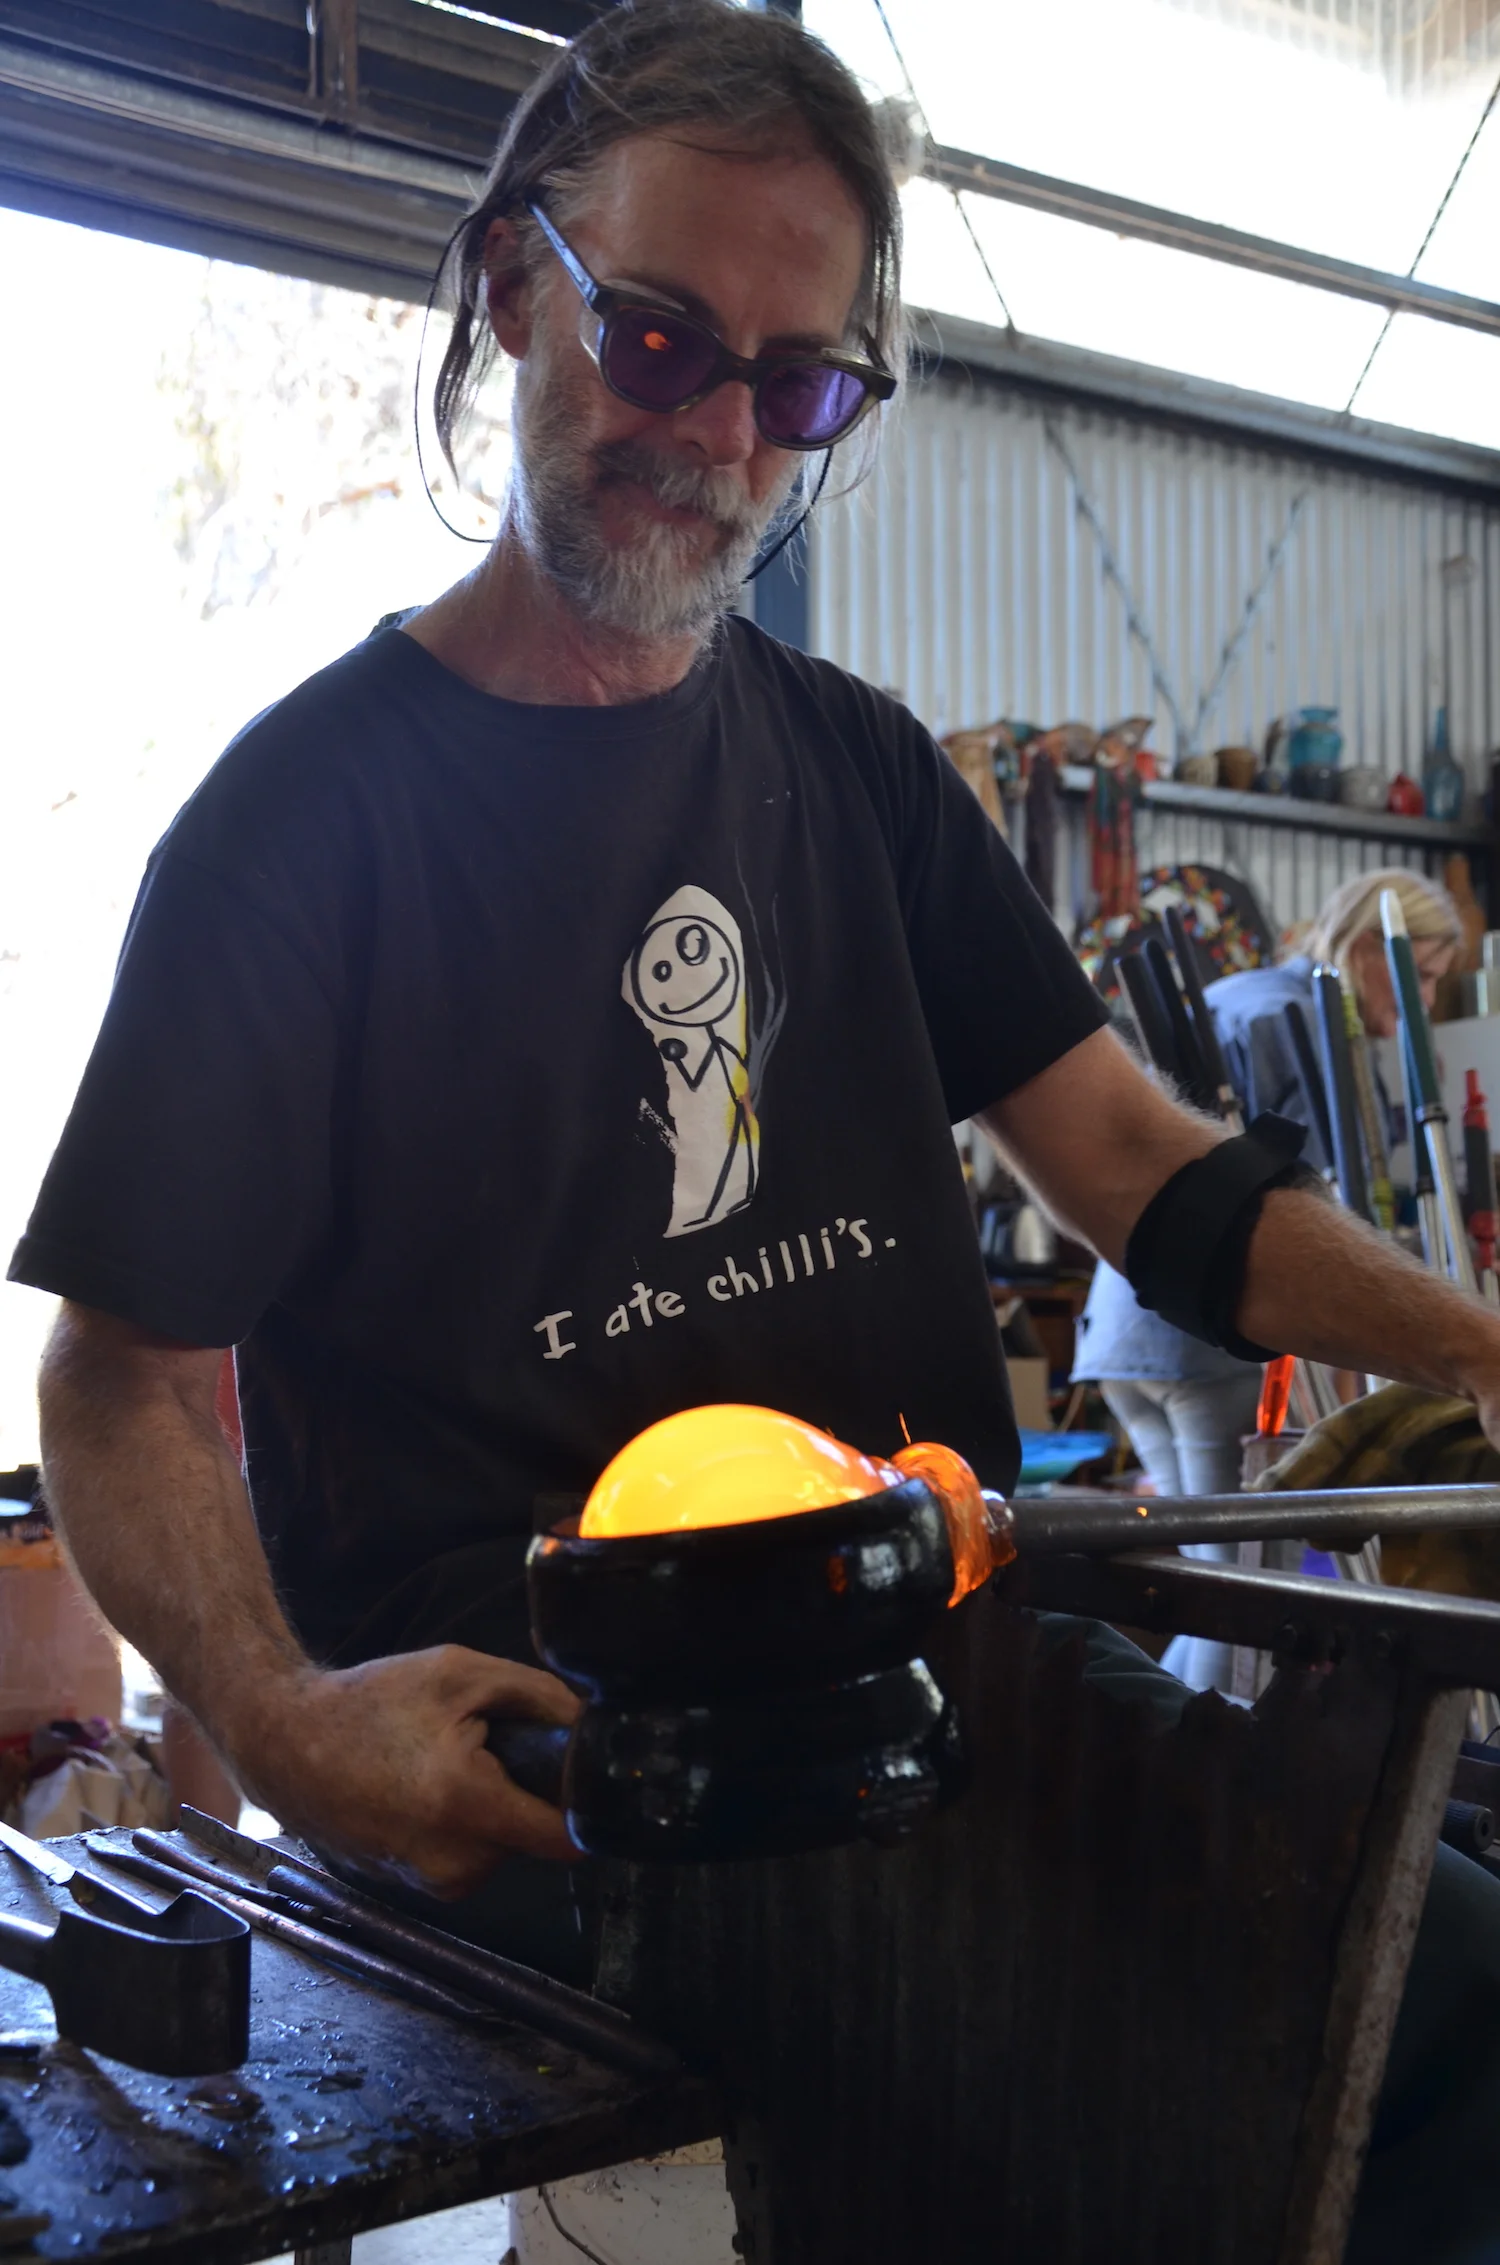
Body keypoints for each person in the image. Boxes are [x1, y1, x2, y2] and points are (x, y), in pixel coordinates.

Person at [12, 9, 1500, 2245]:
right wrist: (291, 1718)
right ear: (514, 286)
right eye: (659, 336)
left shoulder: (858, 772)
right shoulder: (298, 833)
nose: (717, 433)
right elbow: (118, 1377)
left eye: (798, 386)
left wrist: (1476, 1344)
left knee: (1452, 2011)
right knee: (1043, 2129)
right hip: (547, 1752)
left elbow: (1146, 1173)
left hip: (937, 1651)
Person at [1072, 868, 1460, 1687]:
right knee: (1243, 1600)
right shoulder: (1298, 1017)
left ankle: (1159, 1742)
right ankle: (1174, 1754)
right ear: (1367, 949)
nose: (1423, 1002)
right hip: (1205, 1336)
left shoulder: (1246, 995)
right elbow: (1305, 1227)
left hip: (1128, 1331)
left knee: (1213, 1585)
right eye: (1420, 975)